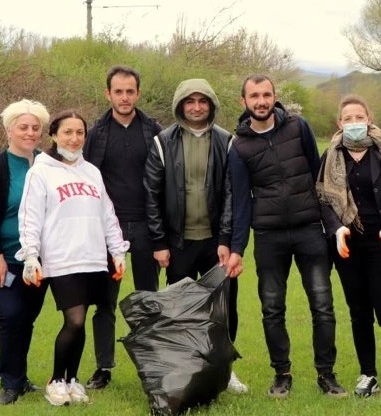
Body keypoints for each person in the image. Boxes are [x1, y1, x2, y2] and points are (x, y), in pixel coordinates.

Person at [228, 74, 347, 399]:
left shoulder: (299, 127)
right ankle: (282, 374)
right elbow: (240, 201)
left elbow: (318, 177)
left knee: (323, 306)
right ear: (244, 102)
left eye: (266, 94)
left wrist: (330, 225)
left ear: (274, 97)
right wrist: (237, 247)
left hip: (310, 230)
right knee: (272, 308)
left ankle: (327, 375)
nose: (261, 101)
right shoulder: (238, 146)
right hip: (268, 237)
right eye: (254, 96)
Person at [16, 110, 129, 406]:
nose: (74, 138)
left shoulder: (92, 172)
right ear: (54, 135)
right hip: (62, 259)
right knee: (75, 320)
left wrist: (117, 251)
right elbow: (29, 218)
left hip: (92, 258)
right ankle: (55, 380)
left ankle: (73, 379)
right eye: (68, 132)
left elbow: (107, 214)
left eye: (80, 132)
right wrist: (30, 256)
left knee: (82, 321)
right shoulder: (40, 171)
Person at [143, 78, 247, 393]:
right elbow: (152, 194)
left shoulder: (226, 140)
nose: (197, 107)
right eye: (190, 101)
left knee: (224, 309)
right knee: (180, 311)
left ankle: (225, 370)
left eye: (203, 101)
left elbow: (231, 194)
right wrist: (159, 243)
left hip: (217, 245)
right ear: (180, 105)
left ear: (211, 104)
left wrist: (226, 240)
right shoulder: (163, 141)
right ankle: (184, 371)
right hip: (178, 244)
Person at [316, 95, 381, 398]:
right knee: (359, 311)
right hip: (348, 244)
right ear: (339, 123)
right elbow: (324, 200)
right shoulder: (331, 155)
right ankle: (368, 373)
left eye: (358, 117)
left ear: (369, 119)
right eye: (347, 118)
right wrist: (336, 231)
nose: (353, 123)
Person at [82, 65, 162, 390]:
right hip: (107, 230)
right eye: (118, 91)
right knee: (104, 301)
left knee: (147, 298)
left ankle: (152, 365)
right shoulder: (96, 133)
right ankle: (104, 367)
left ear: (138, 93)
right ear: (108, 94)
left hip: (146, 226)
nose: (125, 97)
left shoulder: (154, 130)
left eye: (130, 91)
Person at [0, 99, 50, 404]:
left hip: (36, 262)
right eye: (23, 127)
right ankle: (8, 384)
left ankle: (19, 377)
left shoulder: (46, 164)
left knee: (27, 318)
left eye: (35, 128)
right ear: (9, 130)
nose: (30, 133)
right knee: (12, 314)